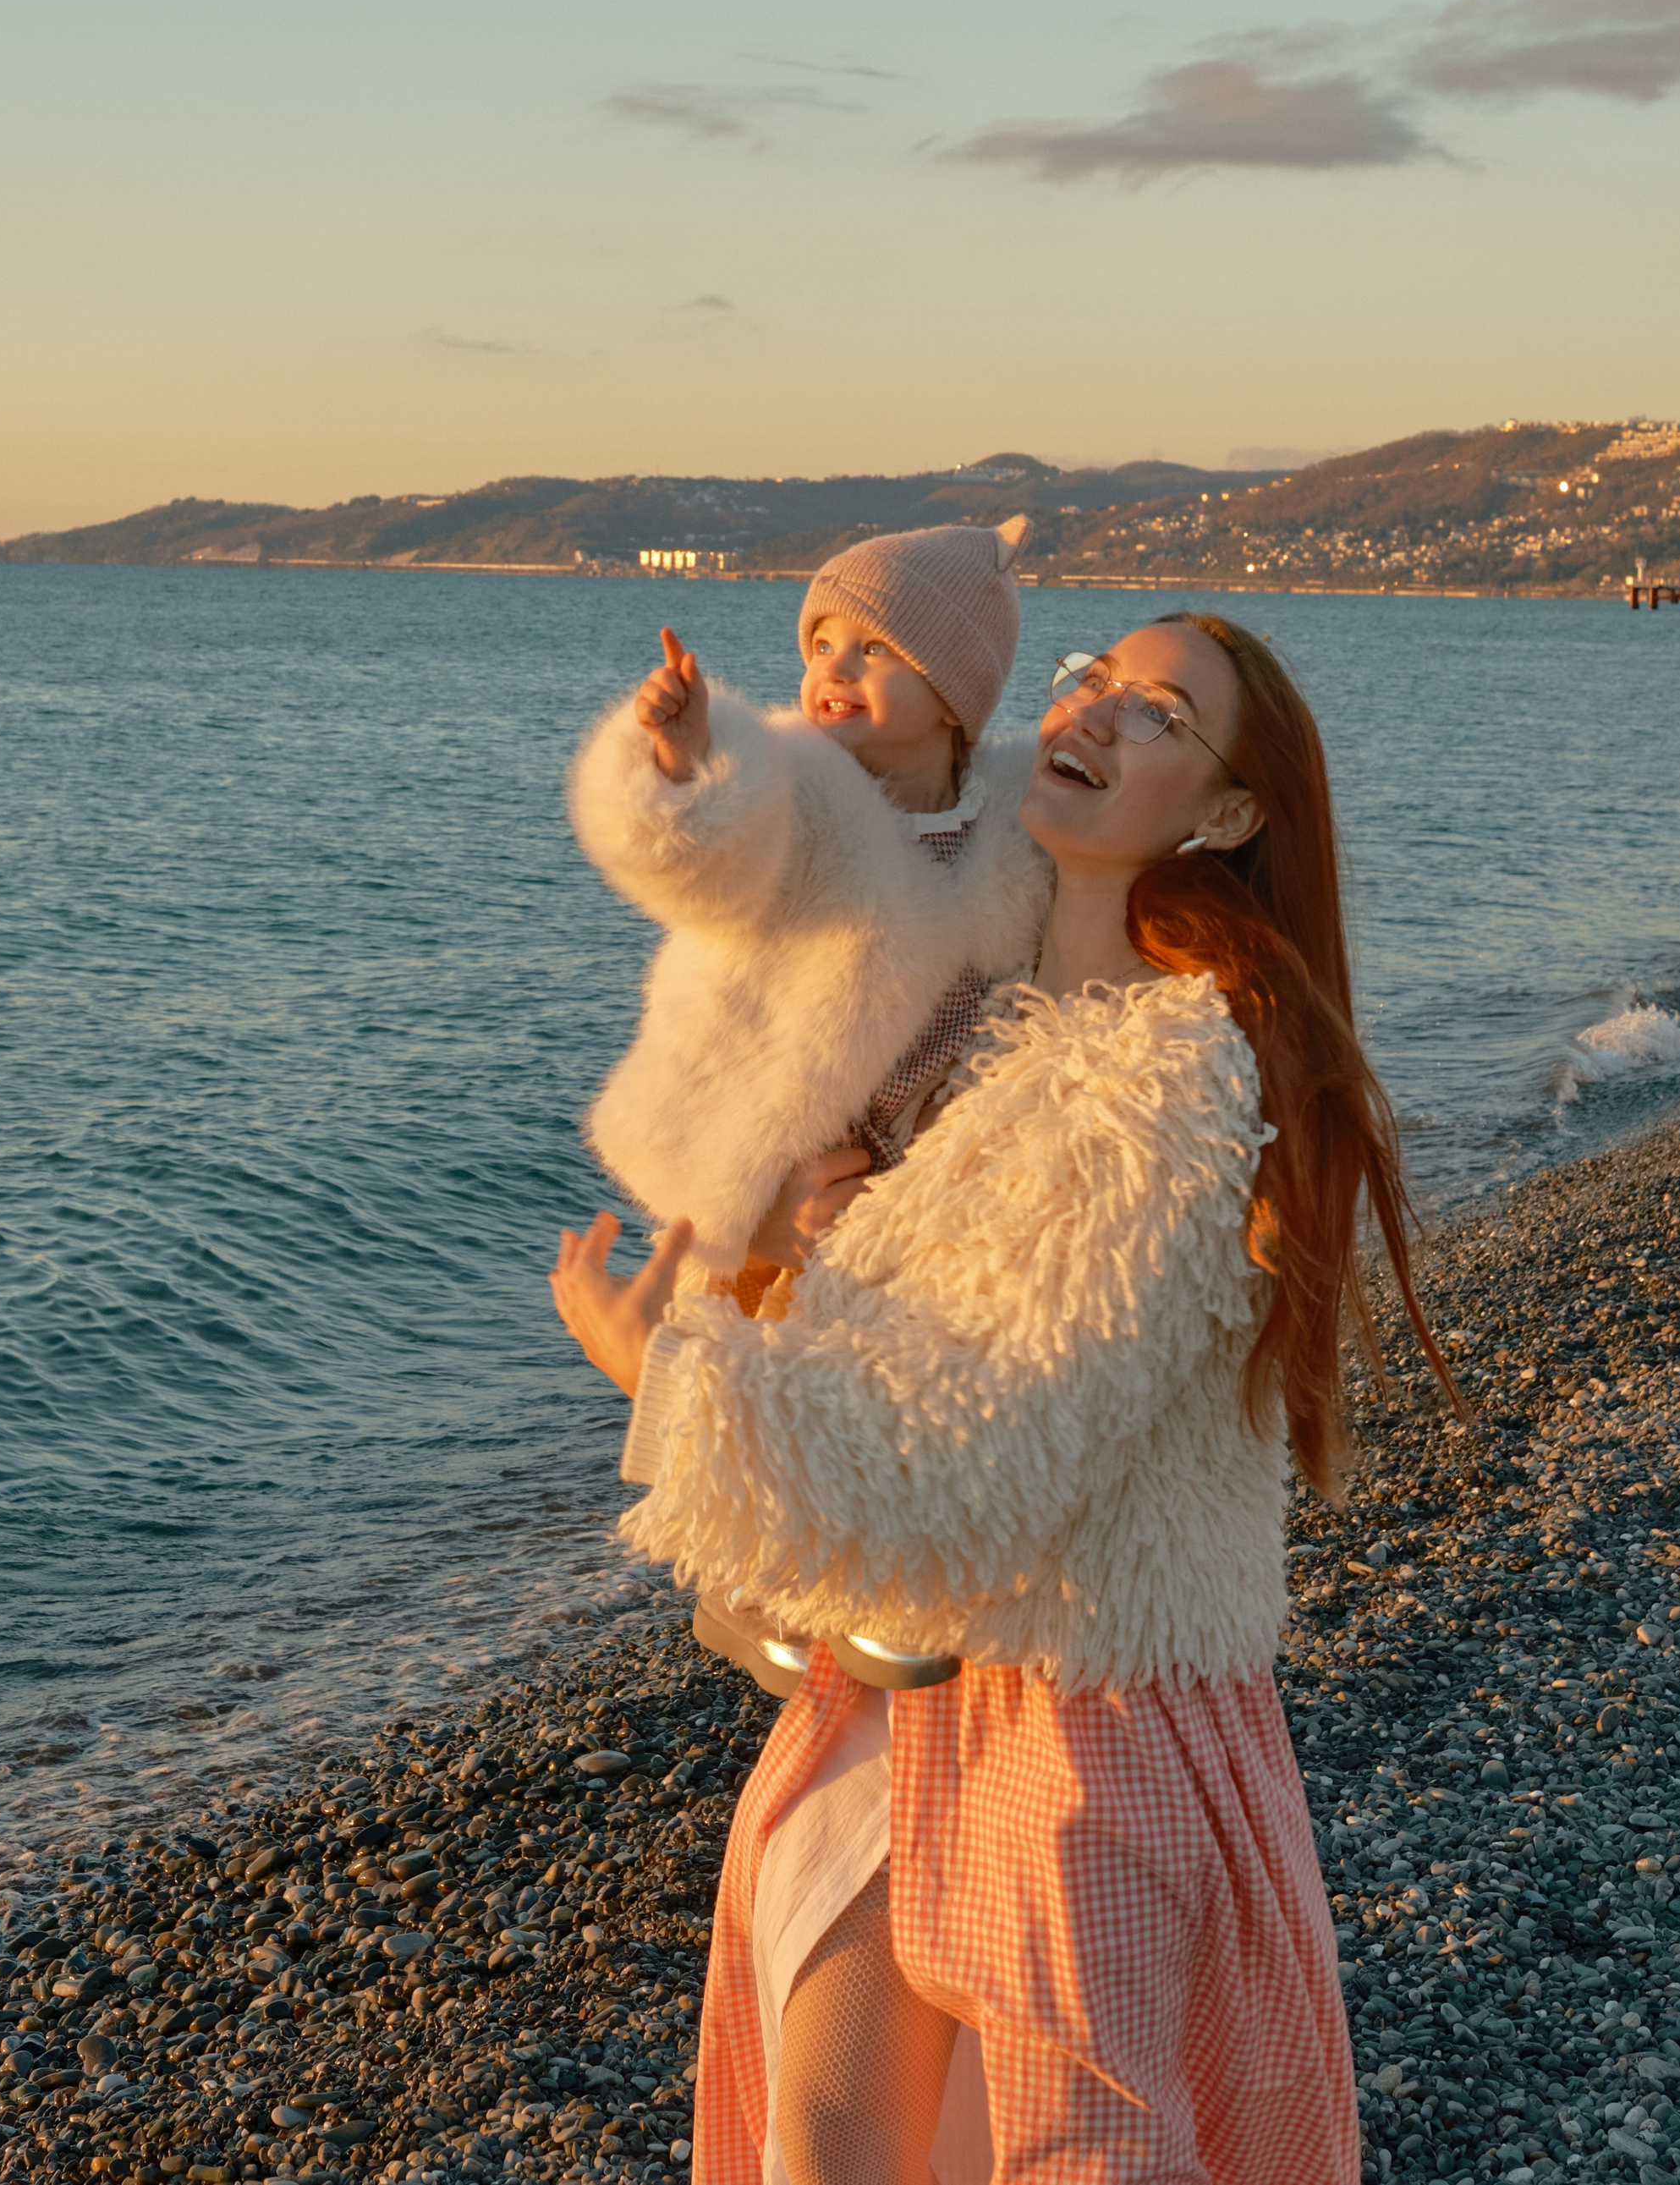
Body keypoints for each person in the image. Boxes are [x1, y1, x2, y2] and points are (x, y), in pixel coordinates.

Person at [552, 612, 1452, 2185]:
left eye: (1160, 711)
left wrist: (660, 1373)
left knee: (1076, 2154)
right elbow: (787, 900)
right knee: (822, 2137)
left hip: (1085, 1727)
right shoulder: (979, 1020)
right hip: (905, 1698)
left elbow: (964, 1464)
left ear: (1229, 813)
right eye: (1089, 677)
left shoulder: (1170, 1087)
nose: (1094, 710)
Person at [566, 519, 1051, 1290]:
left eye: (875, 648)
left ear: (956, 690)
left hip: (905, 1209)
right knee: (730, 1376)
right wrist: (683, 762)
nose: (836, 669)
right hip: (760, 1181)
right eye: (822, 646)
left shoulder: (1016, 826)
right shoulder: (796, 787)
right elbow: (703, 864)